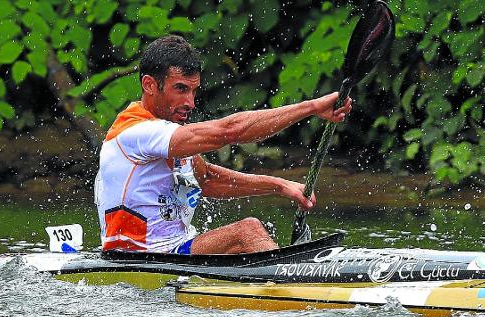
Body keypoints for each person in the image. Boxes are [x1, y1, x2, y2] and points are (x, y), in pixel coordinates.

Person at [94, 35, 352, 255]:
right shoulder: (136, 132)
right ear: (149, 85)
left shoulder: (171, 134)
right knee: (247, 230)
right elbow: (229, 131)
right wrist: (311, 107)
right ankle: (294, 286)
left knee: (251, 234)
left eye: (193, 91)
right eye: (180, 89)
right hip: (137, 259)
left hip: (176, 251)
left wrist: (280, 185)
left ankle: (284, 280)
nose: (190, 102)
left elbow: (206, 180)